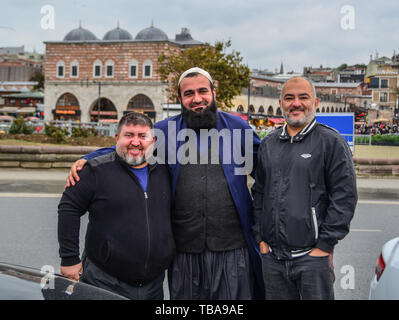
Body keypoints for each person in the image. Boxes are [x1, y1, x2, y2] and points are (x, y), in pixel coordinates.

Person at [66, 67, 264, 300]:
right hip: (184, 251)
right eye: (189, 94)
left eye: (203, 91)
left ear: (214, 92)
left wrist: (261, 231)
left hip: (232, 248)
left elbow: (267, 174)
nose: (197, 98)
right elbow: (131, 146)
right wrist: (87, 159)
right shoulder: (164, 131)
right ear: (179, 99)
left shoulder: (238, 129)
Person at [251, 76, 357, 300]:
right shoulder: (269, 144)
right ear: (281, 104)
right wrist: (260, 237)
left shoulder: (331, 142)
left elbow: (344, 196)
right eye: (289, 98)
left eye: (303, 97)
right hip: (273, 259)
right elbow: (259, 192)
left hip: (312, 259)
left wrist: (324, 246)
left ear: (315, 103)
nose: (295, 103)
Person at [58, 112, 175, 300]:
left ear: (152, 140)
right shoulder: (95, 171)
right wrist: (69, 258)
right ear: (117, 138)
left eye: (142, 136)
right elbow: (68, 208)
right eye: (128, 135)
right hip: (104, 281)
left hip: (153, 286)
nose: (135, 142)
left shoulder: (165, 171)